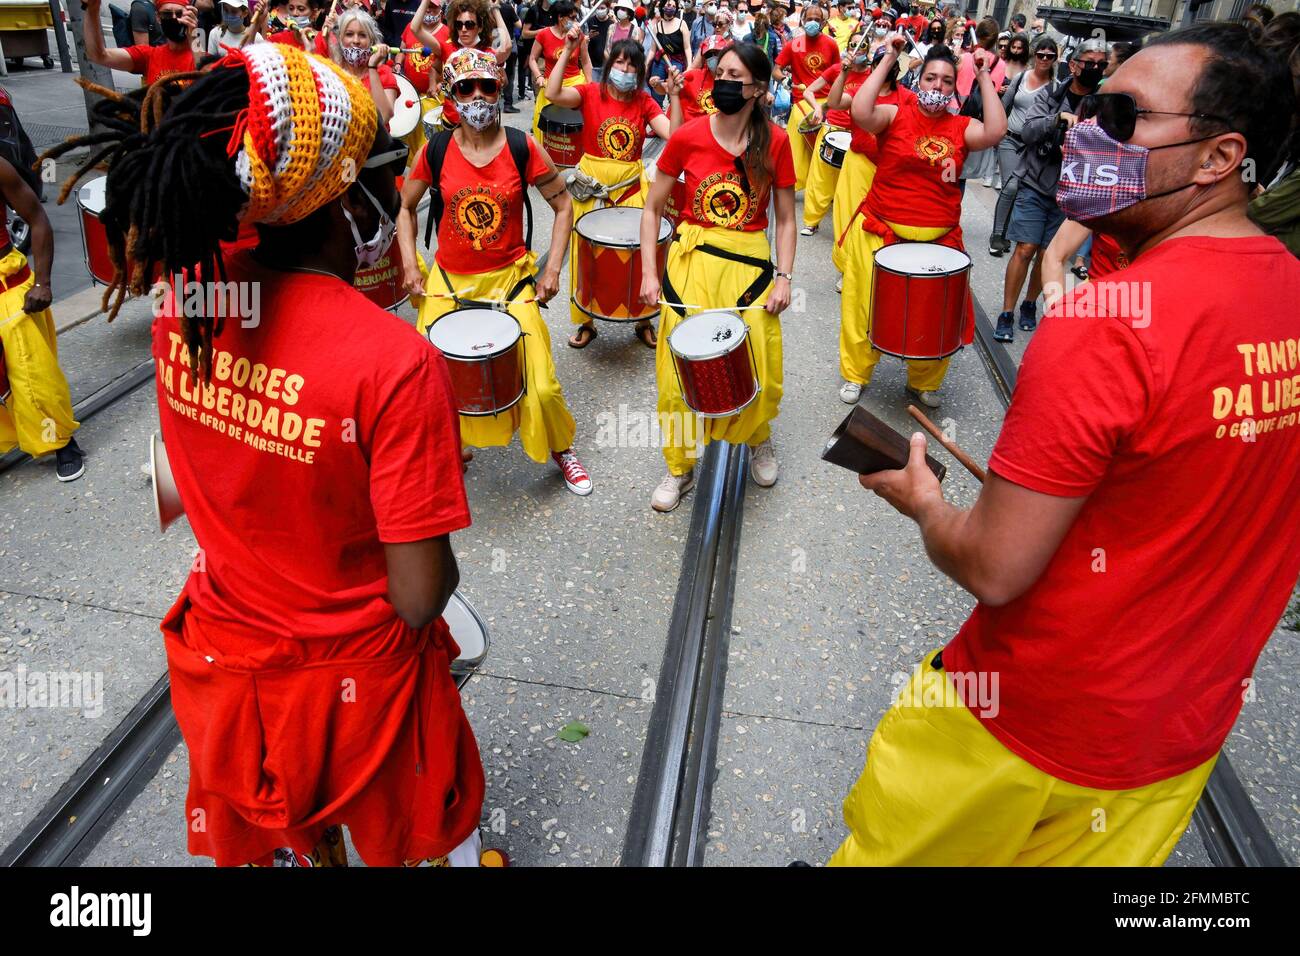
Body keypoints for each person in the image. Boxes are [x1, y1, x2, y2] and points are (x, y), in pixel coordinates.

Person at [835, 21, 1300, 867]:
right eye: (1093, 102)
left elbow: (995, 566)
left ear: (1217, 157)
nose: (1089, 129)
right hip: (1172, 744)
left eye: (1125, 116)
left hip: (1022, 724)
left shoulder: (1106, 321)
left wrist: (927, 501)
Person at [51, 39, 489, 867]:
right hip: (353, 687)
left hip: (229, 658)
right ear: (347, 195)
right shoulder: (395, 363)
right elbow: (421, 598)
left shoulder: (189, 293)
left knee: (301, 836)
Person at [400, 47, 594, 496]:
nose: (478, 95)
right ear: (451, 93)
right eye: (466, 87)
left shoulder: (523, 146)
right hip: (449, 285)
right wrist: (411, 265)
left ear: (500, 87)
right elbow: (406, 209)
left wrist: (552, 272)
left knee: (542, 386)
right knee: (425, 385)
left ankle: (561, 447)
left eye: (487, 85)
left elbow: (564, 205)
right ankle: (447, 448)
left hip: (510, 282)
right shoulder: (436, 149)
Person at [638, 42, 796, 511]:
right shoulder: (686, 135)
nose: (723, 81)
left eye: (735, 75)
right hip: (691, 262)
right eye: (720, 72)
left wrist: (784, 276)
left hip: (748, 263)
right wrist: (650, 273)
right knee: (676, 372)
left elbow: (785, 219)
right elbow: (651, 210)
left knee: (759, 361)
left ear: (758, 89)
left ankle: (757, 438)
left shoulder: (778, 142)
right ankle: (680, 467)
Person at [839, 37, 1005, 408]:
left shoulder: (962, 126)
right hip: (880, 233)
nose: (938, 86)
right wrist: (890, 58)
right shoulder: (895, 115)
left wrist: (981, 76)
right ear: (920, 80)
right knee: (862, 307)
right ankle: (855, 374)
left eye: (947, 81)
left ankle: (923, 381)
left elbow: (995, 131)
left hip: (939, 241)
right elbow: (862, 112)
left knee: (934, 317)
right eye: (931, 78)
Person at [548, 34, 675, 349]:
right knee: (585, 254)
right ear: (609, 65)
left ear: (639, 73)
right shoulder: (591, 93)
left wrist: (676, 97)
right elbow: (552, 93)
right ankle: (585, 321)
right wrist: (568, 50)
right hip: (592, 188)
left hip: (630, 188)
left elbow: (672, 134)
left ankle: (643, 317)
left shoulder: (644, 101)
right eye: (619, 62)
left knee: (639, 253)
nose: (625, 70)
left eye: (632, 66)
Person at [993, 37, 1105, 342]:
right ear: (1074, 65)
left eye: (1101, 64)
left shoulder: (1106, 100)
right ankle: (1007, 311)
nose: (1095, 68)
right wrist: (1056, 120)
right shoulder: (1051, 95)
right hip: (1035, 181)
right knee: (1025, 249)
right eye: (1089, 63)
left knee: (1047, 253)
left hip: (1070, 191)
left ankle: (1030, 304)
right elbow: (1028, 131)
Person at [0, 156, 82, 481]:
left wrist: (42, 283)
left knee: (33, 373)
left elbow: (37, 219)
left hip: (9, 286)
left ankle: (62, 442)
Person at [988, 33, 1057, 256]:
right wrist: (994, 131)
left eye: (1050, 56)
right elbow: (1004, 104)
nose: (1044, 59)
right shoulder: (1021, 78)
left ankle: (1008, 234)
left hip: (1034, 148)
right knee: (1010, 186)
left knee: (1022, 191)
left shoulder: (1055, 87)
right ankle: (997, 235)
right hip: (1010, 139)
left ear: (1055, 59)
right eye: (1041, 55)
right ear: (1034, 55)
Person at [798, 23, 870, 236]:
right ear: (848, 48)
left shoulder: (874, 74)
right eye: (853, 45)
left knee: (850, 185)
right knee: (820, 179)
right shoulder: (837, 69)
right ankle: (811, 221)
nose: (856, 49)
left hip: (858, 134)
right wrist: (818, 109)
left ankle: (850, 226)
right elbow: (809, 91)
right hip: (832, 129)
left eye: (862, 45)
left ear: (867, 50)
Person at [414, 0, 514, 125]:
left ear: (480, 27)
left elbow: (507, 47)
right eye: (458, 25)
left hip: (481, 123)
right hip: (452, 121)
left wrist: (495, 9)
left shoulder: (488, 53)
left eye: (470, 24)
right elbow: (415, 29)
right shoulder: (446, 48)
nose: (463, 29)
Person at [773, 2, 839, 190]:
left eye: (817, 19)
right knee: (795, 150)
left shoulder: (831, 44)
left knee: (825, 148)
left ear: (824, 22)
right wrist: (785, 81)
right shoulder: (795, 44)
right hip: (801, 102)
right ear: (802, 20)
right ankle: (791, 186)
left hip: (826, 103)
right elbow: (776, 70)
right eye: (809, 19)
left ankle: (825, 188)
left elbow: (837, 73)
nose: (812, 22)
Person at [84, 0, 198, 84]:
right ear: (158, 18)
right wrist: (92, 10)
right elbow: (99, 55)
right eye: (167, 14)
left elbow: (207, 76)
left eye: (179, 14)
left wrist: (195, 33)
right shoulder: (149, 55)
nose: (174, 18)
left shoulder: (199, 55)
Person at [528, 1, 592, 143]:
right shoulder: (544, 34)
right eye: (572, 18)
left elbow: (586, 62)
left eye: (576, 18)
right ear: (560, 17)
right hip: (550, 86)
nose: (576, 22)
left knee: (579, 123)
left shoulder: (578, 35)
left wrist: (590, 84)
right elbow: (532, 58)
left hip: (575, 85)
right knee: (543, 122)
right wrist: (538, 75)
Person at [332, 7, 398, 125]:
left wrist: (372, 67)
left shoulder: (384, 73)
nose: (356, 41)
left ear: (371, 41)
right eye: (349, 34)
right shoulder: (333, 72)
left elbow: (384, 117)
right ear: (340, 39)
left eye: (362, 35)